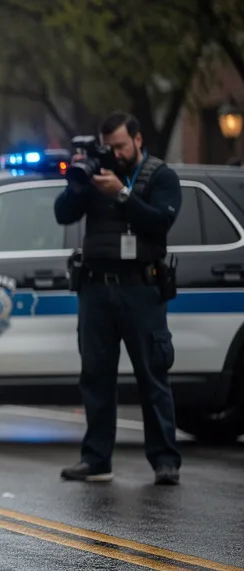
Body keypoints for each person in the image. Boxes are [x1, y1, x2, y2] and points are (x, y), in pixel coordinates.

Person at [54, 112, 182, 485]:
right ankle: (96, 459)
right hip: (96, 288)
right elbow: (63, 214)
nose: (115, 153)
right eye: (109, 146)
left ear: (138, 140)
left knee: (152, 374)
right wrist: (78, 182)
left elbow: (160, 222)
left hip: (140, 288)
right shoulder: (96, 173)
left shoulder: (161, 176)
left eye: (121, 146)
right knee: (95, 376)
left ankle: (165, 461)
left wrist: (122, 194)